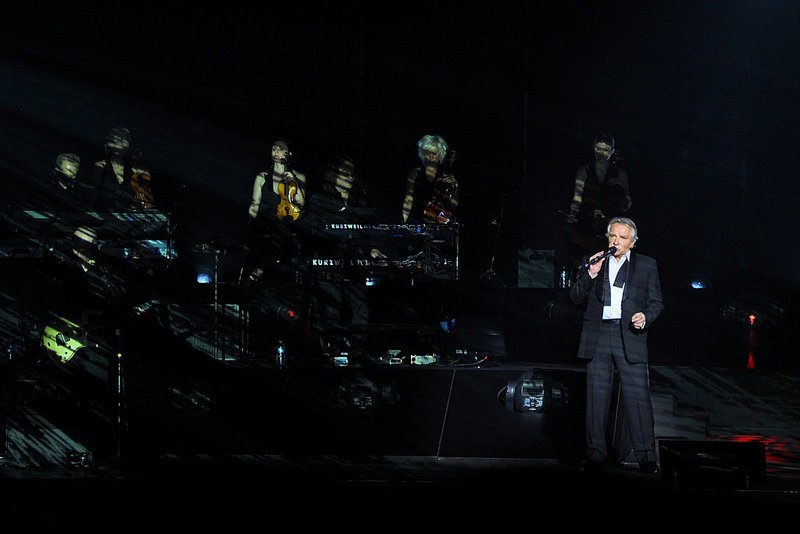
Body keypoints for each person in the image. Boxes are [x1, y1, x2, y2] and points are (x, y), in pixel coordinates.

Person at [570, 216, 663, 474]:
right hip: (599, 335)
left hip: (630, 336)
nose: (616, 242)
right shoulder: (594, 260)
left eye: (622, 238)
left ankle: (646, 456)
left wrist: (645, 317)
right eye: (613, 236)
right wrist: (590, 274)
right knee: (597, 398)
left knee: (638, 398)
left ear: (632, 242)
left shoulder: (646, 265)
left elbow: (656, 302)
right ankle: (595, 453)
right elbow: (575, 297)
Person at [298, 153, 384, 361]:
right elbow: (310, 228)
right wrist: (330, 245)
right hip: (330, 261)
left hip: (355, 260)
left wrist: (372, 249)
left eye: (351, 173)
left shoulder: (360, 201)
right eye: (344, 172)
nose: (349, 176)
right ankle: (332, 349)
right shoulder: (320, 199)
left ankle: (359, 349)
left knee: (361, 306)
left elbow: (370, 229)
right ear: (333, 175)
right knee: (332, 307)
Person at [244, 139, 307, 282]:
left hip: (286, 220)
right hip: (266, 221)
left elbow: (301, 203)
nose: (276, 151)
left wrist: (294, 182)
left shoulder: (300, 177)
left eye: (280, 149)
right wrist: (249, 227)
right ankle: (260, 268)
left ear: (288, 153)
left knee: (282, 231)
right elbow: (255, 204)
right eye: (273, 148)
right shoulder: (262, 177)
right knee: (265, 231)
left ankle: (262, 269)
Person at [566, 133, 631, 267]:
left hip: (611, 228)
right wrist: (572, 215)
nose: (601, 153)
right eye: (598, 149)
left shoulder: (620, 174)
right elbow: (576, 198)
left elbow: (627, 204)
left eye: (605, 150)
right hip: (587, 227)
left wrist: (620, 187)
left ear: (612, 151)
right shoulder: (584, 171)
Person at [90, 127, 155, 210]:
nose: (123, 142)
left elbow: (146, 202)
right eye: (119, 138)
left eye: (126, 139)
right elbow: (92, 196)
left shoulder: (136, 169)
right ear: (109, 142)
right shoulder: (101, 166)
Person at [401, 134, 459, 224]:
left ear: (440, 154)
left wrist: (456, 186)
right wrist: (404, 220)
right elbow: (408, 198)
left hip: (439, 220)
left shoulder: (445, 176)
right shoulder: (415, 173)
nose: (430, 157)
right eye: (427, 153)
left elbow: (454, 205)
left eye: (434, 153)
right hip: (416, 218)